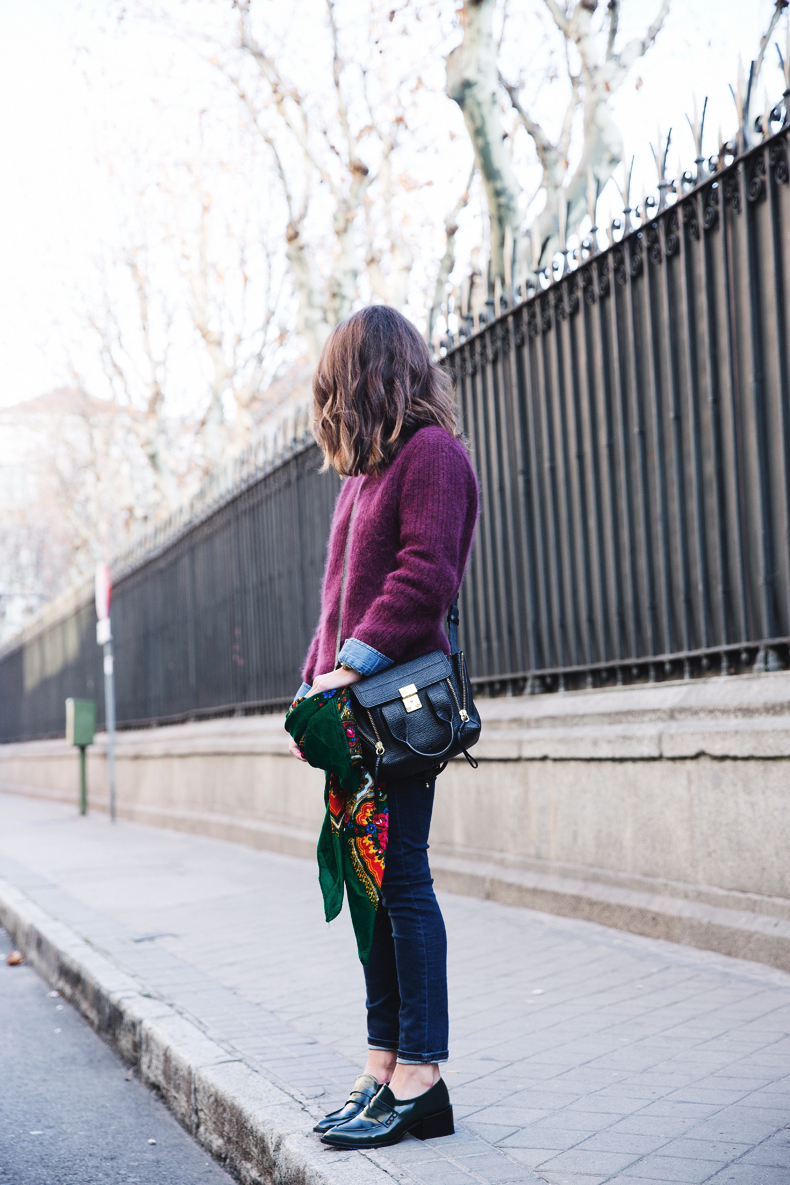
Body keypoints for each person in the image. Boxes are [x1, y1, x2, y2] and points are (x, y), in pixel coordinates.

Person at [287, 304, 478, 1150]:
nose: (327, 406)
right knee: (369, 889)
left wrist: (350, 667)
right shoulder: (362, 478)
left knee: (401, 883)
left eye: (335, 387)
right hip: (355, 722)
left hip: (398, 716)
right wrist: (310, 688)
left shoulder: (432, 456)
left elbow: (424, 577)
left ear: (370, 379)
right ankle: (381, 1065)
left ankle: (423, 1077)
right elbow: (336, 604)